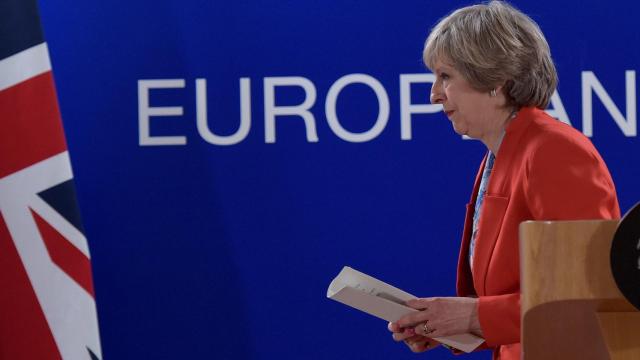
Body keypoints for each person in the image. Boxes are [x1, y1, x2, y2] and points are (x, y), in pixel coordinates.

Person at [387, 1, 620, 359]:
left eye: (446, 76)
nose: (434, 94)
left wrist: (472, 315)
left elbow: (585, 295)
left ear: (495, 79)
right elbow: (523, 301)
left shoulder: (555, 150)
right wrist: (454, 325)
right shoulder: (500, 154)